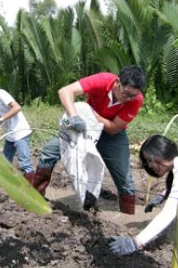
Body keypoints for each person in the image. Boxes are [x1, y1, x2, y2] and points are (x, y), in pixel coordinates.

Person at [29, 66, 147, 214]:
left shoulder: (136, 100)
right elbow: (65, 91)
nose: (127, 98)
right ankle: (36, 198)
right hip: (83, 126)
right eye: (126, 93)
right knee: (50, 150)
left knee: (124, 177)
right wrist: (74, 116)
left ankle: (127, 215)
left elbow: (113, 128)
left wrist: (91, 114)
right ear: (117, 82)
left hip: (111, 135)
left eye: (132, 96)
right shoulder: (103, 80)